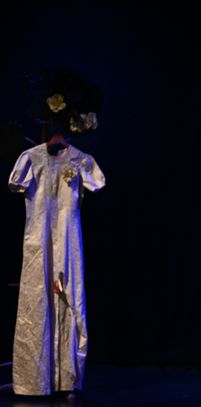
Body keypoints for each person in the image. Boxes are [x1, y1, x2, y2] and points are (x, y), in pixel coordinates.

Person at [7, 69, 105, 400]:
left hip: (68, 243)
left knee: (70, 300)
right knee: (37, 301)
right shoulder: (30, 159)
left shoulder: (81, 161)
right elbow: (16, 183)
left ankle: (67, 378)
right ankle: (34, 379)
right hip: (39, 243)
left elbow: (97, 182)